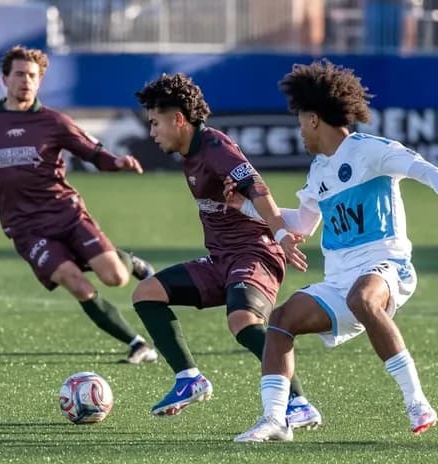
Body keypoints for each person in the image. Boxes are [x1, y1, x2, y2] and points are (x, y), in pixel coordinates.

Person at [228, 59, 438, 442]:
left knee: (363, 296)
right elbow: (302, 225)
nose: (299, 130)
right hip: (340, 280)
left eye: (300, 121)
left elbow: (427, 170)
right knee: (280, 320)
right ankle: (275, 420)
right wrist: (244, 207)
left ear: (314, 119)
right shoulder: (319, 172)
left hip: (388, 266)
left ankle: (416, 402)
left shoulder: (370, 151)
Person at [130, 73, 322, 429]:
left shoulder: (215, 146)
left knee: (243, 321)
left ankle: (299, 403)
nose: (152, 131)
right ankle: (189, 378)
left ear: (178, 119)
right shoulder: (190, 154)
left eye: (156, 123)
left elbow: (258, 189)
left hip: (255, 253)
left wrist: (280, 234)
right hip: (221, 259)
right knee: (146, 292)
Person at [0, 45, 158, 364]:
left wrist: (117, 162)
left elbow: (93, 152)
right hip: (25, 227)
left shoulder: (54, 122)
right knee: (73, 279)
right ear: (4, 79)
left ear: (40, 82)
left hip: (66, 213)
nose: (25, 81)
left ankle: (129, 261)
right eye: (19, 74)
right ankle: (137, 344)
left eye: (32, 76)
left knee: (115, 277)